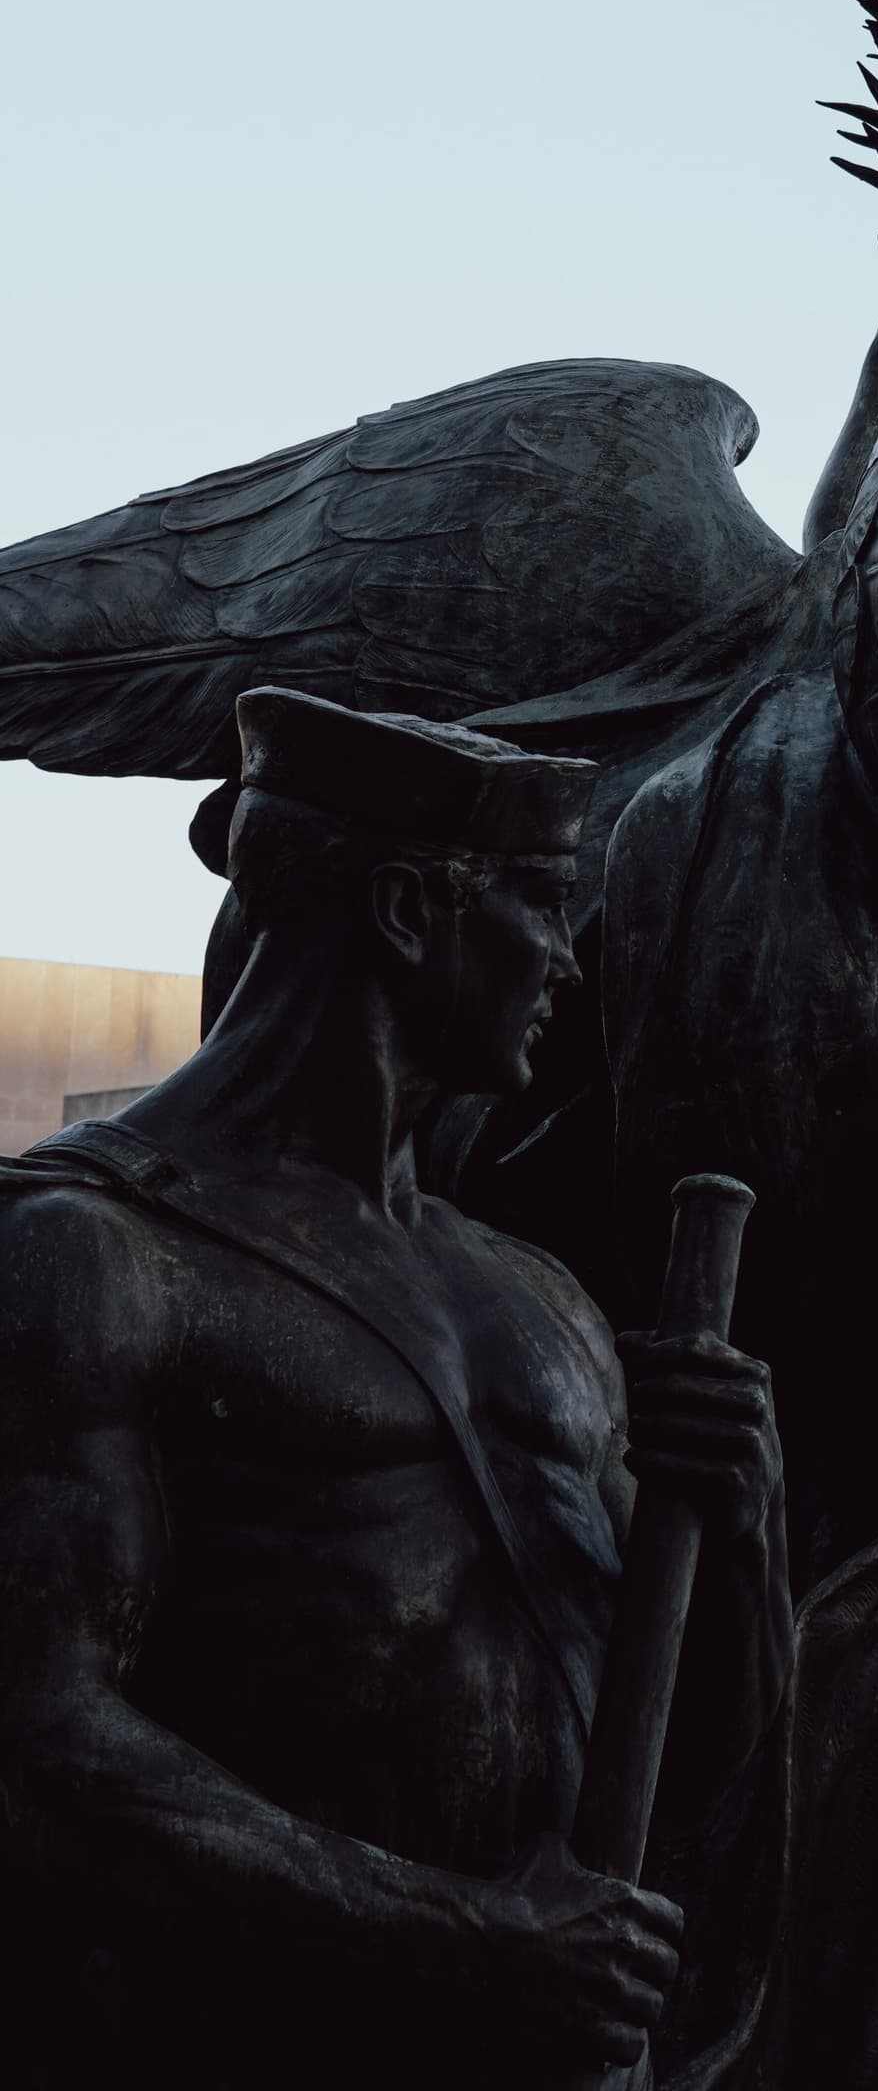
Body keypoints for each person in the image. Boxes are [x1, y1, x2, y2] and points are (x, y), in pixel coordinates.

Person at [0, 688, 791, 2091]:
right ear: (412, 914)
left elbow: (682, 1743)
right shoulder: (91, 1259)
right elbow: (41, 1740)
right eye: (542, 905)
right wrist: (465, 1941)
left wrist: (739, 1526)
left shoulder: (541, 1300)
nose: (568, 958)